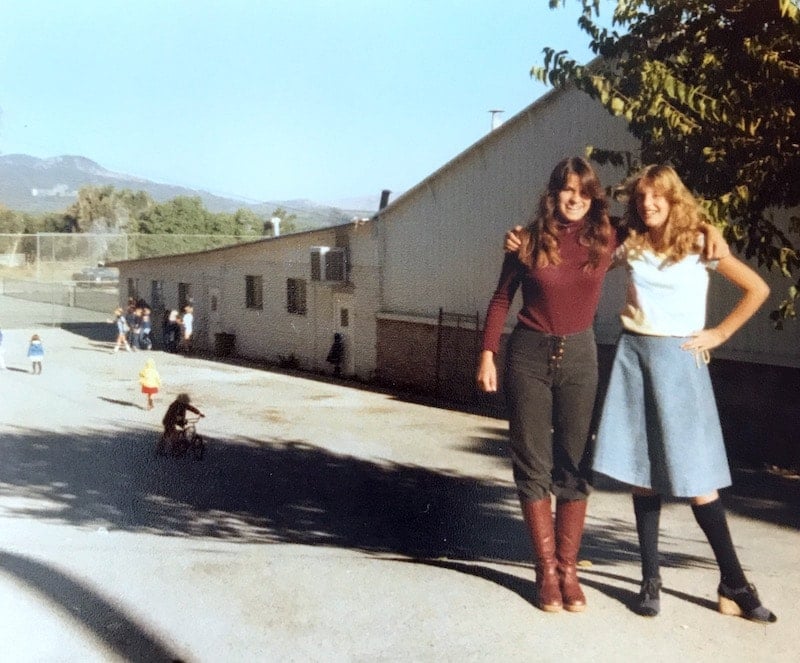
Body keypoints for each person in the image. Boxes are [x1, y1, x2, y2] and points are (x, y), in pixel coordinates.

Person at [480, 157, 728, 614]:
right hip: (527, 356)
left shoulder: (609, 235)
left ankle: (569, 571)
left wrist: (709, 228)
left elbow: (661, 217)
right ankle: (546, 574)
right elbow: (500, 299)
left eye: (584, 191)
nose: (574, 198)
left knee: (575, 462)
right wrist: (488, 353)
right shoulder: (528, 240)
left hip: (580, 357)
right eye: (565, 190)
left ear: (594, 197)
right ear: (553, 193)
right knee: (532, 463)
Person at [590, 165, 775, 623]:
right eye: (641, 198)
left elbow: (758, 288)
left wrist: (720, 333)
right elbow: (584, 255)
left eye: (657, 197)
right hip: (635, 357)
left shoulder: (699, 242)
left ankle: (733, 581)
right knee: (642, 472)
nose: (647, 204)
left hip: (681, 361)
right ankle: (649, 580)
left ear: (673, 200)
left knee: (698, 481)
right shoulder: (629, 242)